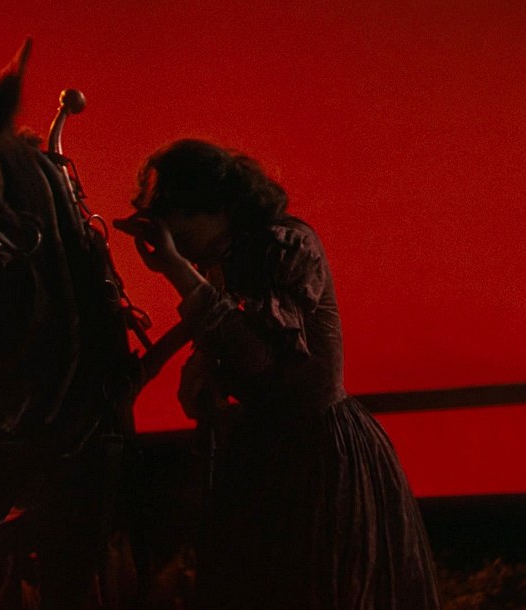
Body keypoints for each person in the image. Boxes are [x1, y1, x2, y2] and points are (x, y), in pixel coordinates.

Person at [114, 139, 440, 610]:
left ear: (215, 205)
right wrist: (153, 367)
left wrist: (179, 272)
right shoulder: (227, 255)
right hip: (264, 453)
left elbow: (259, 355)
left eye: (174, 215)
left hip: (317, 458)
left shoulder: (284, 246)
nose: (169, 233)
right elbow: (218, 324)